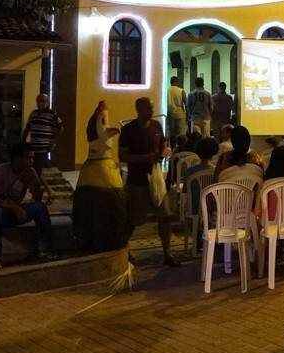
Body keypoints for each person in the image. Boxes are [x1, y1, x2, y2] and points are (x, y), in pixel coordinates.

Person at [119, 97, 179, 267]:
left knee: (165, 215)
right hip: (137, 179)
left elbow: (162, 144)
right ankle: (123, 248)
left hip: (156, 176)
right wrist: (144, 158)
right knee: (133, 218)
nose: (151, 111)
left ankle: (168, 253)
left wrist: (164, 152)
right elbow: (122, 156)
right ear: (139, 109)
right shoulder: (129, 130)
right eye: (148, 108)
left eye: (152, 107)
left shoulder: (156, 126)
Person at [0, 142, 56, 270]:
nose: (31, 161)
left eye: (32, 158)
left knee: (40, 208)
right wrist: (14, 208)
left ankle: (44, 249)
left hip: (16, 212)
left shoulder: (28, 172)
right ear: (17, 159)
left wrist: (36, 184)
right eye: (28, 158)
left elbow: (37, 199)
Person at [72, 101, 126, 254]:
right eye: (103, 121)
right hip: (102, 171)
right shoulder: (100, 135)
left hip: (96, 168)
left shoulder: (87, 170)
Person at [22, 93, 63, 202]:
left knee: (36, 172)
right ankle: (45, 192)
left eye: (43, 101)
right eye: (38, 101)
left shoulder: (52, 114)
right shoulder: (33, 114)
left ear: (47, 102)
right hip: (32, 148)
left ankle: (48, 192)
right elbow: (27, 128)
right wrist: (23, 142)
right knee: (33, 171)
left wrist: (53, 142)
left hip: (43, 148)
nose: (40, 103)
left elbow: (60, 128)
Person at [183, 137, 219, 217]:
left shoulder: (190, 171)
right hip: (210, 208)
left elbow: (185, 191)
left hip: (194, 207)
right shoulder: (216, 172)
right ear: (214, 152)